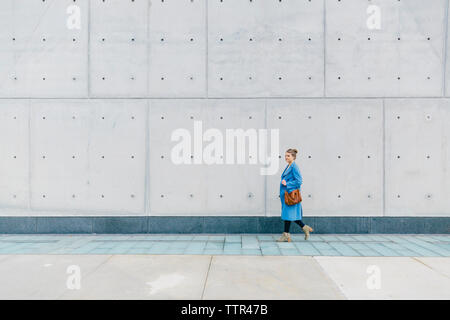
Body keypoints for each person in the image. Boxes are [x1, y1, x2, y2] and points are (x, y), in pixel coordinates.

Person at [277, 148, 313, 242]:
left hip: (291, 196)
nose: (286, 157)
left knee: (288, 215)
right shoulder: (289, 166)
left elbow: (299, 181)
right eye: (285, 155)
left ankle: (286, 235)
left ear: (293, 157)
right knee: (288, 215)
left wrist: (287, 184)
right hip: (287, 195)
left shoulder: (294, 167)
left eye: (288, 156)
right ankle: (304, 228)